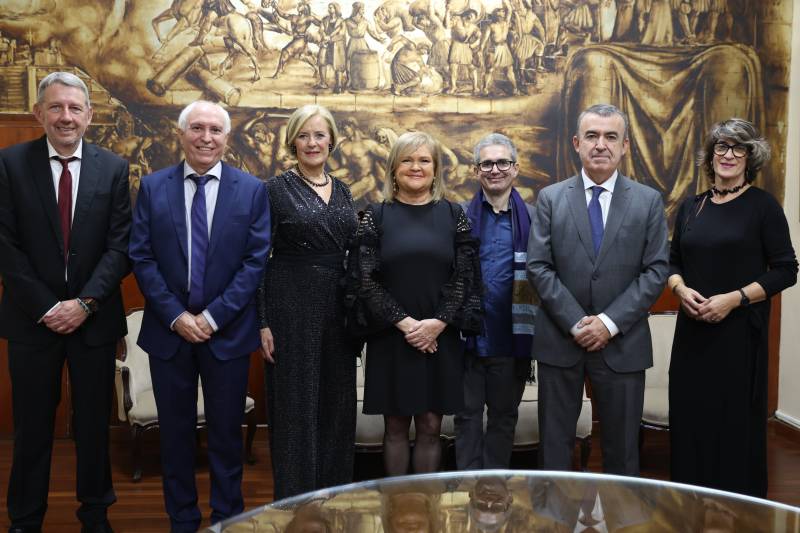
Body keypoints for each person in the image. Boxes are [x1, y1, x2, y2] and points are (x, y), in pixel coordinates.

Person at [129, 100, 271, 531]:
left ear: (227, 139)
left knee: (226, 439)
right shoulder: (153, 187)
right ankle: (183, 520)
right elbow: (142, 256)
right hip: (169, 335)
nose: (206, 137)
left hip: (226, 336)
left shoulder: (251, 190)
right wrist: (177, 316)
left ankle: (227, 520)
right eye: (197, 128)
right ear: (182, 134)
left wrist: (211, 318)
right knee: (175, 438)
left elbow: (254, 262)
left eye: (215, 130)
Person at [0, 71, 131, 533]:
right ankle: (25, 518)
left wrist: (85, 303)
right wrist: (46, 307)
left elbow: (120, 247)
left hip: (93, 323)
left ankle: (95, 514)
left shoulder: (113, 168)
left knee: (94, 426)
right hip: (31, 322)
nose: (66, 117)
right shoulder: (10, 164)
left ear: (90, 116)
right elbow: (6, 246)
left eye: (75, 108)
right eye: (56, 107)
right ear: (39, 113)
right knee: (33, 427)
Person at [527, 103, 669, 475]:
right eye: (592, 136)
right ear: (577, 143)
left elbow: (655, 271)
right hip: (561, 341)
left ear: (625, 146)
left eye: (610, 136)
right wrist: (577, 322)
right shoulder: (551, 198)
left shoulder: (648, 201)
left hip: (622, 344)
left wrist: (608, 322)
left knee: (622, 452)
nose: (600, 144)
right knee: (554, 449)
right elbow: (538, 266)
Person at [667, 118, 797, 497]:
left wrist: (734, 299)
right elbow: (673, 261)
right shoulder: (692, 206)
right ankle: (690, 501)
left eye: (738, 147)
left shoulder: (763, 206)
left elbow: (787, 271)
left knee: (733, 425)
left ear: (750, 156)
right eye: (721, 147)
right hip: (692, 333)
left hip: (740, 336)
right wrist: (679, 289)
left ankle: (736, 508)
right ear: (710, 156)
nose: (728, 155)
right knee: (691, 419)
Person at [348, 131, 482, 476]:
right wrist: (406, 324)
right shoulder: (375, 216)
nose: (415, 167)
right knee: (393, 429)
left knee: (430, 427)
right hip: (390, 336)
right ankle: (397, 510)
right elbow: (364, 279)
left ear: (436, 169)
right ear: (394, 169)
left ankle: (426, 508)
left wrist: (437, 323)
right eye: (407, 160)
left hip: (440, 339)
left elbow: (465, 276)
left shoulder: (455, 215)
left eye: (424, 160)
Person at [257, 104, 359, 499]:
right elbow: (259, 258)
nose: (312, 143)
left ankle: (335, 501)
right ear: (292, 141)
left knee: (337, 406)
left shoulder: (345, 189)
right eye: (304, 135)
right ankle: (296, 503)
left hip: (339, 310)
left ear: (331, 140)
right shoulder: (274, 190)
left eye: (319, 135)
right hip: (290, 306)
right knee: (295, 408)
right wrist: (263, 321)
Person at [454, 133, 536, 470]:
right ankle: (470, 493)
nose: (495, 169)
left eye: (503, 162)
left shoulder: (534, 217)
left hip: (510, 337)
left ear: (515, 168)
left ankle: (495, 496)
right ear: (476, 170)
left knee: (504, 419)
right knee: (466, 418)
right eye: (486, 163)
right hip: (467, 338)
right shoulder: (458, 216)